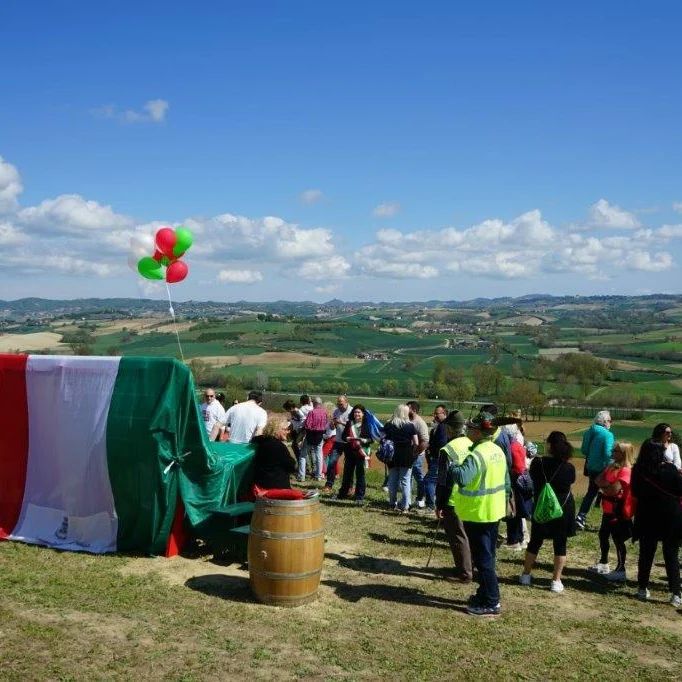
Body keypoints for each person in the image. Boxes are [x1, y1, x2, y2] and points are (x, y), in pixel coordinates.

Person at [448, 412, 510, 616]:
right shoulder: (496, 450)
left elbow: (463, 478)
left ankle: (492, 601)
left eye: (471, 428)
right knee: (488, 557)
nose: (467, 431)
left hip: (478, 512)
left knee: (483, 560)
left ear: (478, 431)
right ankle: (484, 593)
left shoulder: (477, 454)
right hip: (493, 511)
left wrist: (454, 465)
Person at [519, 431, 576, 593]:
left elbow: (532, 477)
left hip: (541, 507)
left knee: (535, 542)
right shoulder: (569, 468)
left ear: (550, 445)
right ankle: (556, 581)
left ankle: (525, 575)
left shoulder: (538, 463)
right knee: (560, 544)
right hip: (562, 509)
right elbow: (570, 482)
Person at [631, 439, 682, 606]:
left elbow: (635, 492)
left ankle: (642, 588)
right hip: (671, 515)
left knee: (646, 553)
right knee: (671, 554)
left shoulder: (638, 470)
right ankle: (675, 593)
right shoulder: (670, 468)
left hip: (647, 514)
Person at [588, 441, 635, 583]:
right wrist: (606, 486)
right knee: (603, 535)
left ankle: (621, 569)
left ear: (624, 454)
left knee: (618, 539)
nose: (612, 453)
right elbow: (597, 480)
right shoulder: (612, 466)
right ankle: (603, 563)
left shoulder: (626, 470)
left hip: (618, 511)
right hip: (607, 509)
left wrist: (605, 486)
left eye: (616, 451)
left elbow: (613, 490)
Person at [436, 410, 473, 583]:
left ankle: (465, 573)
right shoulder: (472, 443)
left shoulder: (448, 449)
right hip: (472, 498)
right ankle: (470, 566)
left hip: (454, 499)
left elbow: (443, 481)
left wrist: (439, 503)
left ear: (450, 429)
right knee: (470, 535)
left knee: (458, 538)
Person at [576, 410, 614, 530]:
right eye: (610, 420)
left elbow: (584, 451)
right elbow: (608, 454)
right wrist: (614, 466)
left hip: (591, 467)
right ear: (605, 422)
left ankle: (580, 517)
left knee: (591, 492)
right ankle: (611, 520)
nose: (610, 423)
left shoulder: (589, 432)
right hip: (603, 469)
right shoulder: (608, 435)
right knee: (612, 493)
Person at [250, 417, 305, 499]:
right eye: (285, 429)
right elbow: (292, 466)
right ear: (276, 430)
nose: (288, 431)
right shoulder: (277, 446)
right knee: (300, 496)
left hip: (259, 485)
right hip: (275, 488)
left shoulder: (259, 442)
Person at [384, 404, 419, 513]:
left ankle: (392, 503)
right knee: (405, 481)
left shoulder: (389, 424)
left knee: (392, 480)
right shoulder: (410, 426)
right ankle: (405, 505)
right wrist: (413, 451)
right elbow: (416, 442)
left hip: (392, 455)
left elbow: (383, 438)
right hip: (406, 455)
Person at [337, 404, 373, 503]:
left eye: (359, 412)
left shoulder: (367, 424)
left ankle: (359, 496)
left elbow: (371, 439)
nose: (357, 414)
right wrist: (347, 438)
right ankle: (343, 493)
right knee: (347, 474)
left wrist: (364, 440)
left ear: (363, 414)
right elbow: (344, 436)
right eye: (355, 412)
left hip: (361, 453)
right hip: (350, 453)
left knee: (360, 475)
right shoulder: (349, 423)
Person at [504, 422, 529, 550]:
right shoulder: (517, 444)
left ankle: (514, 540)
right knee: (517, 512)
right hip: (519, 481)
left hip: (515, 481)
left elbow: (519, 467)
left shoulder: (512, 446)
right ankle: (518, 538)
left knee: (513, 512)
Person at [322, 395, 352, 494]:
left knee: (349, 465)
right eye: (338, 403)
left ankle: (349, 487)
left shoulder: (352, 411)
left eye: (341, 403)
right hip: (338, 440)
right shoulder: (336, 411)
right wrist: (332, 424)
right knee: (331, 462)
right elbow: (333, 427)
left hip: (348, 442)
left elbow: (353, 426)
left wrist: (341, 422)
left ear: (346, 402)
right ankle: (329, 485)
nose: (339, 405)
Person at [424, 404, 448, 512]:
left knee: (429, 481)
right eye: (434, 413)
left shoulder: (443, 427)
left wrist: (432, 450)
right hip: (438, 458)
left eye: (437, 413)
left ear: (444, 413)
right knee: (437, 483)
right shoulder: (442, 425)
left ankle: (430, 506)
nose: (435, 415)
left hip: (438, 458)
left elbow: (442, 444)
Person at [299, 396, 329, 481]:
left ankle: (301, 476)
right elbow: (326, 424)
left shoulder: (311, 412)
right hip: (320, 435)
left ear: (315, 403)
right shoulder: (324, 413)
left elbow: (307, 425)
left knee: (303, 455)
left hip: (311, 435)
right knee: (319, 455)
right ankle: (318, 476)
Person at [407, 401, 429, 508]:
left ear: (414, 410)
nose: (406, 410)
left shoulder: (420, 423)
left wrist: (416, 453)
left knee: (418, 476)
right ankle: (407, 499)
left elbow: (425, 442)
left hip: (417, 455)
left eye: (408, 408)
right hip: (408, 454)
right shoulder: (407, 420)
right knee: (408, 477)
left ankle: (420, 498)